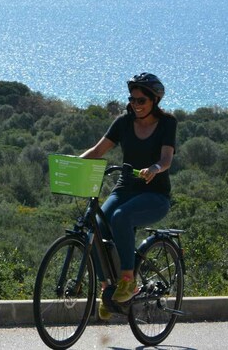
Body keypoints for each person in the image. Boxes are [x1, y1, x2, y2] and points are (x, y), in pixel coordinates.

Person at [79, 72, 177, 318]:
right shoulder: (123, 122)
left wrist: (154, 169)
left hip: (155, 194)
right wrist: (71, 163)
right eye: (132, 100)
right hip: (125, 188)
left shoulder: (167, 123)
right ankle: (107, 290)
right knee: (96, 227)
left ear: (154, 100)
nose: (136, 105)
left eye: (141, 100)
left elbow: (166, 160)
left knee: (121, 217)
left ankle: (128, 280)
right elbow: (98, 150)